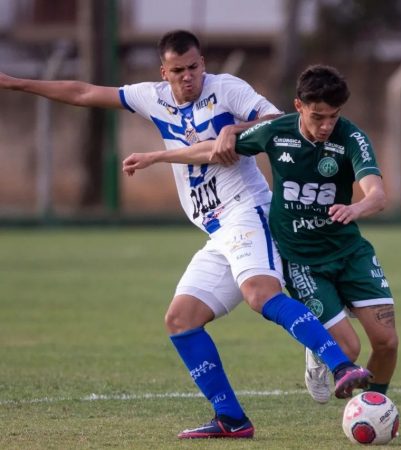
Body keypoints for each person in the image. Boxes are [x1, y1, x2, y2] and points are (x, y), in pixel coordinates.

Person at [1, 32, 371, 439]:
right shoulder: (151, 96)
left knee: (260, 294)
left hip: (248, 212)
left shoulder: (226, 88)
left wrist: (234, 129)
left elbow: (280, 121)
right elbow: (85, 91)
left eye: (194, 67)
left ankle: (342, 365)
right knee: (181, 319)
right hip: (216, 231)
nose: (188, 77)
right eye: (178, 71)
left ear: (202, 63)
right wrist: (17, 82)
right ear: (165, 72)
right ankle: (232, 419)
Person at [128, 64, 398, 407]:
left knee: (387, 342)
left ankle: (373, 410)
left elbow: (377, 194)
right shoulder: (277, 131)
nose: (327, 125)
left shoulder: (351, 137)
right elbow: (212, 150)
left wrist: (356, 209)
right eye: (318, 117)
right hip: (302, 259)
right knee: (348, 348)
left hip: (349, 250)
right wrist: (157, 156)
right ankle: (325, 358)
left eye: (333, 116)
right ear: (298, 106)